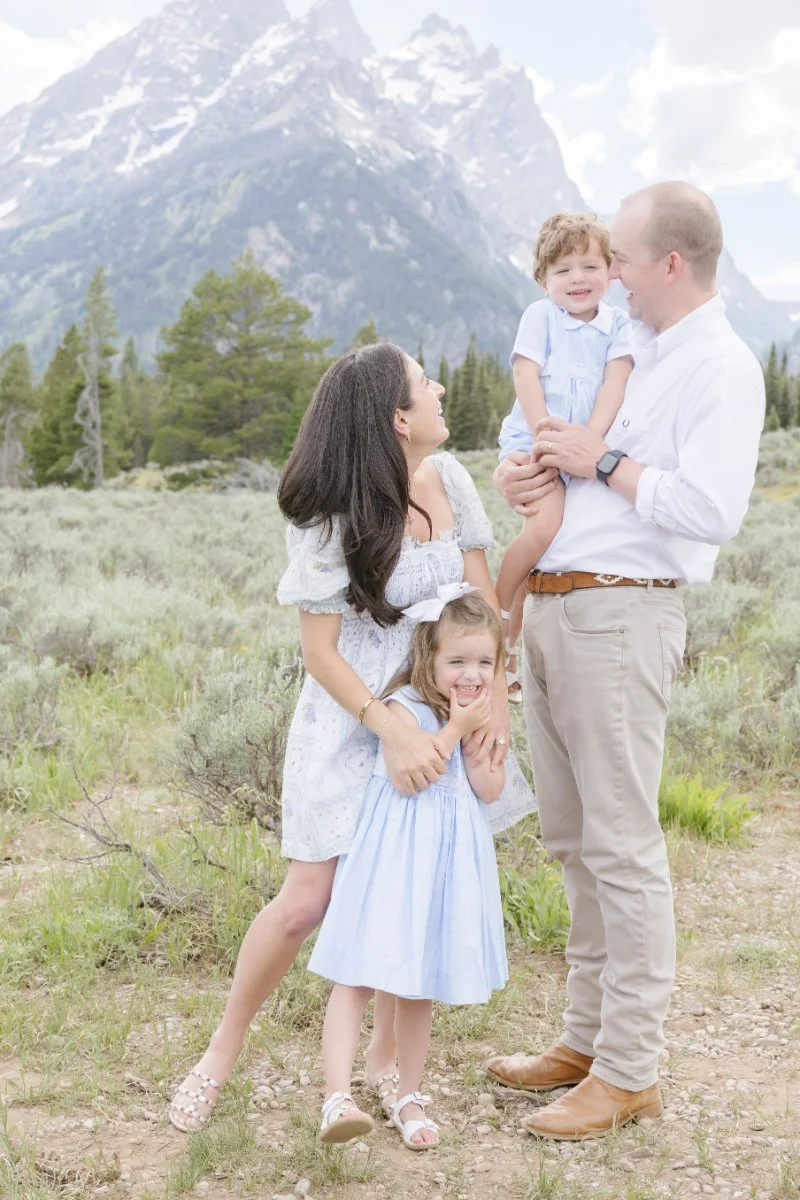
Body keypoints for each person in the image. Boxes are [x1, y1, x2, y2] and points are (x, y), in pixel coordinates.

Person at [168, 343, 535, 1132]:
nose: (439, 389)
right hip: (352, 721)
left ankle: (384, 1072)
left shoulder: (454, 480)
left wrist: (494, 705)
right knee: (308, 900)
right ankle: (219, 1055)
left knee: (412, 891)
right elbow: (321, 652)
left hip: (441, 714)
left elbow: (480, 606)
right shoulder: (334, 511)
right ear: (398, 419)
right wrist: (386, 725)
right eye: (424, 383)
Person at [486, 181, 765, 1140]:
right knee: (570, 840)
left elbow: (710, 510)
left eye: (627, 264)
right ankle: (585, 1041)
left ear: (669, 265)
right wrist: (520, 465)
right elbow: (543, 432)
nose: (613, 281)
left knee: (621, 844)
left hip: (622, 614)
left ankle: (631, 1069)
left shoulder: (719, 366)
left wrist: (598, 461)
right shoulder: (630, 345)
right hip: (557, 609)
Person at [309, 591, 508, 1151]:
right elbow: (410, 776)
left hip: (442, 869)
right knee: (358, 975)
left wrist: (479, 746)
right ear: (430, 658)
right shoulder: (404, 708)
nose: (471, 675)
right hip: (392, 862)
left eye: (484, 664)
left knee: (420, 984)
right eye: (458, 662)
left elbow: (489, 791)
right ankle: (336, 1096)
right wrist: (454, 729)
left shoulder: (473, 717)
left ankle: (407, 1091)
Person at [495, 212, 634, 702]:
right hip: (537, 441)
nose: (577, 278)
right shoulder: (541, 317)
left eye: (589, 266)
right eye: (563, 270)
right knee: (542, 529)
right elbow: (526, 377)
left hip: (580, 450)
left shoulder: (618, 325)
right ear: (543, 280)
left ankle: (504, 640)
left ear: (611, 271)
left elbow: (615, 384)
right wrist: (545, 438)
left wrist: (588, 445)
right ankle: (496, 627)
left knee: (550, 543)